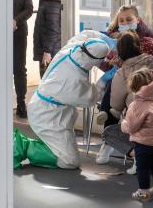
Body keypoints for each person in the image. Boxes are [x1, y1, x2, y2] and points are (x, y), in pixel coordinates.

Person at [14, 30, 115, 169]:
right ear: (96, 61)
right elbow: (91, 99)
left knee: (64, 147)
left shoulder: (73, 48)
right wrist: (104, 80)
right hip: (47, 117)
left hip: (52, 110)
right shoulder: (71, 80)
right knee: (68, 161)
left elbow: (85, 34)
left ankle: (48, 144)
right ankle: (23, 145)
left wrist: (105, 38)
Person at [95, 5, 153, 164]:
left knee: (117, 87)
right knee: (115, 80)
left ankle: (107, 115)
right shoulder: (115, 40)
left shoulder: (147, 40)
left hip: (143, 83)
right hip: (122, 83)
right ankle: (108, 135)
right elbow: (104, 64)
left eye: (129, 19)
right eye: (121, 20)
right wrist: (112, 62)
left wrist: (138, 65)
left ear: (138, 20)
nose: (125, 22)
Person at [102, 31, 153, 174]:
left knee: (110, 133)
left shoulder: (122, 74)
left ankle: (141, 157)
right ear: (139, 46)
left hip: (147, 136)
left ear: (119, 52)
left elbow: (115, 106)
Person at [121, 68, 153, 201]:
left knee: (143, 168)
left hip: (143, 143)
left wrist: (123, 123)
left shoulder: (137, 104)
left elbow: (131, 127)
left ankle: (143, 193)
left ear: (135, 88)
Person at [13, 0, 33, 118]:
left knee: (19, 68)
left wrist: (15, 20)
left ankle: (21, 103)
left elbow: (29, 8)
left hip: (18, 33)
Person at [33, 0, 62, 78]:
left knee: (47, 81)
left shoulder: (52, 4)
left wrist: (47, 51)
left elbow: (53, 30)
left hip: (50, 53)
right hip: (48, 50)